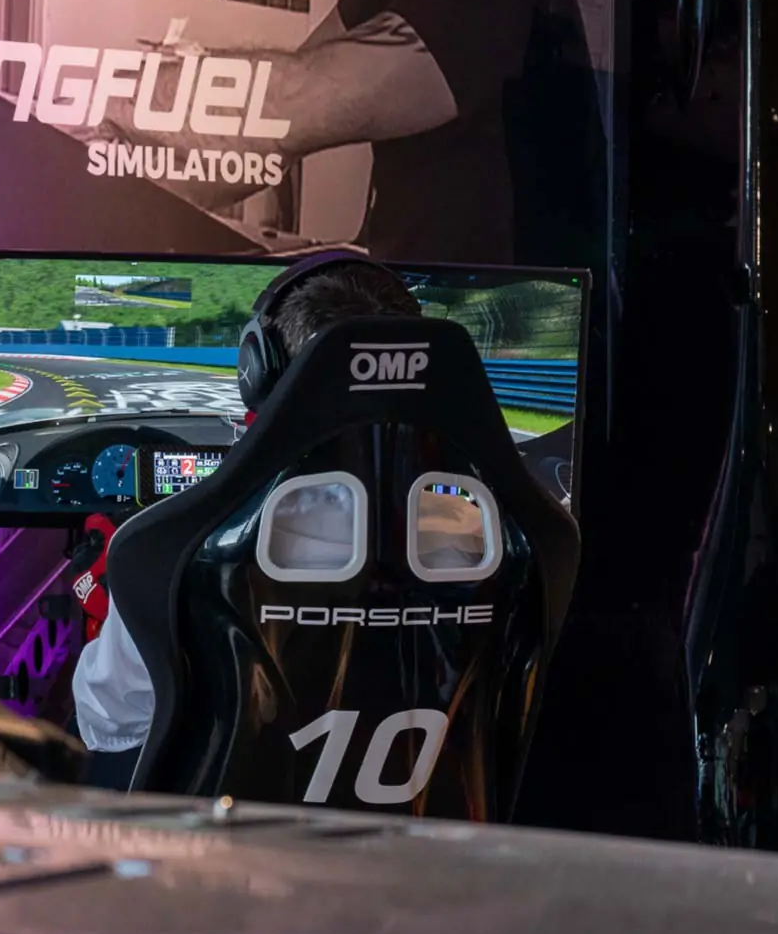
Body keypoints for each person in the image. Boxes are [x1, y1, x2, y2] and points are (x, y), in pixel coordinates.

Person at [71, 259, 487, 785]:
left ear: (259, 374)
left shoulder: (177, 546)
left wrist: (128, 592)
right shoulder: (504, 539)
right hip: (445, 855)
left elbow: (106, 723)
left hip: (234, 859)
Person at [111, 0, 605, 271]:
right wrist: (128, 187)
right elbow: (259, 138)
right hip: (428, 318)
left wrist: (130, 101)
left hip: (519, 353)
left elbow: (292, 104)